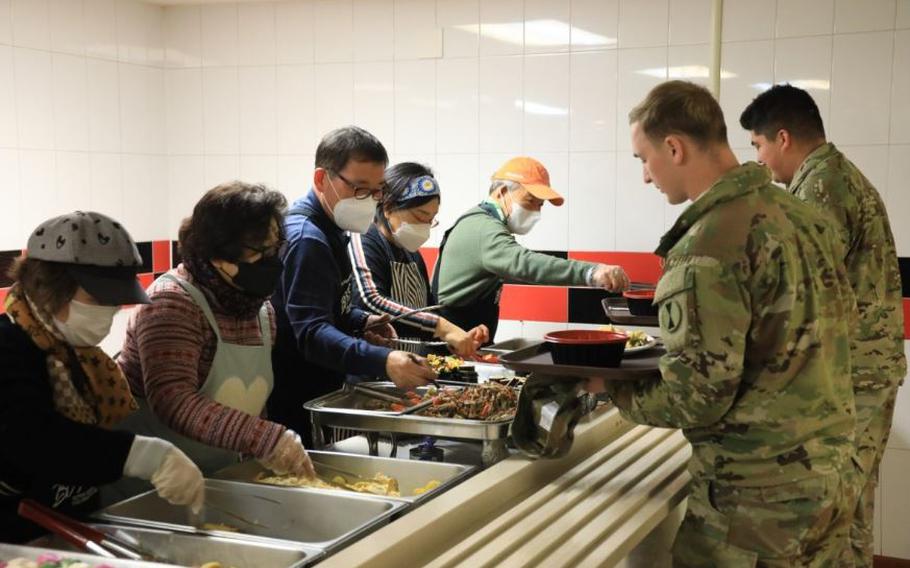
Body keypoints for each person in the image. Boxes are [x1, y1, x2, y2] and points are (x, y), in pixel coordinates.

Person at [588, 81, 858, 565]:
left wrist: (608, 387)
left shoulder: (708, 246)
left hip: (756, 502)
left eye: (643, 159)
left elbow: (697, 397)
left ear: (674, 147)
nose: (646, 177)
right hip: (830, 474)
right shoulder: (802, 215)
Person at [740, 84, 906, 567]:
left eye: (758, 145)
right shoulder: (835, 175)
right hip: (866, 368)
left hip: (851, 375)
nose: (760, 160)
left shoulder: (821, 186)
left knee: (830, 511)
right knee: (850, 507)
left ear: (784, 138)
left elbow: (805, 285)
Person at [0, 212, 203, 542]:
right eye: (97, 300)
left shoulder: (77, 353)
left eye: (115, 301)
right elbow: (32, 439)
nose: (109, 313)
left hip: (71, 531)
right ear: (50, 288)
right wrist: (144, 455)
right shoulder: (9, 348)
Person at [113, 182, 314, 485]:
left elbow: (251, 402)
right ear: (218, 254)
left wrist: (259, 456)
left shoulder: (258, 308)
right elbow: (173, 399)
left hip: (216, 478)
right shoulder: (172, 301)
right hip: (151, 485)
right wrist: (262, 437)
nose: (273, 261)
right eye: (262, 251)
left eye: (276, 249)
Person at [270, 127, 436, 443]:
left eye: (377, 191)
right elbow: (311, 332)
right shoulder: (308, 238)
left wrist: (360, 320)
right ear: (322, 179)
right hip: (298, 398)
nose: (370, 201)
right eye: (359, 189)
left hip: (324, 388)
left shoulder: (334, 228)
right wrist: (383, 360)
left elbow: (327, 307)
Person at [432, 156, 630, 341]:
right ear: (502, 193)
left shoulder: (483, 223)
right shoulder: (483, 228)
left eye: (540, 205)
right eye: (530, 201)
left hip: (468, 337)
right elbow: (523, 263)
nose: (535, 211)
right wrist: (591, 273)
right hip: (448, 344)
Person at [348, 162, 489, 357]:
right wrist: (443, 328)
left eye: (431, 220)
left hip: (409, 372)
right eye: (420, 216)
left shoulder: (411, 252)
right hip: (371, 370)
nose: (426, 226)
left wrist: (455, 337)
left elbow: (426, 310)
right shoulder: (363, 239)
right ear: (388, 207)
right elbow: (371, 301)